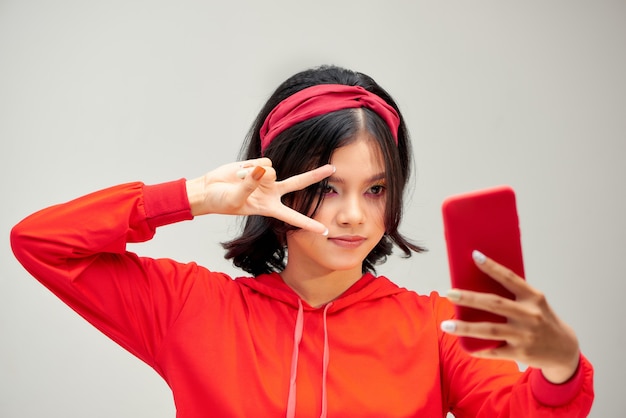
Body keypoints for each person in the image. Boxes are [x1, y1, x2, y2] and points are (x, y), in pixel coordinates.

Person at [10, 65, 594, 417]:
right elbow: (40, 241)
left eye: (375, 189)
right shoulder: (190, 309)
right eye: (328, 186)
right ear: (277, 180)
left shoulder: (436, 328)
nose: (352, 216)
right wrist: (196, 195)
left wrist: (560, 367)